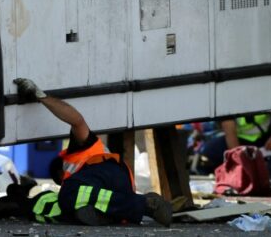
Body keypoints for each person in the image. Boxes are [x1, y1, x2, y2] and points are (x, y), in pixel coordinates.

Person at [12, 78, 173, 227]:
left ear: (61, 174)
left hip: (104, 173)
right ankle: (110, 215)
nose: (63, 181)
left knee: (68, 196)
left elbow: (77, 121)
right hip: (120, 186)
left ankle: (146, 204)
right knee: (83, 206)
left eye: (62, 180)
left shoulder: (74, 154)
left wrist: (42, 97)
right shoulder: (83, 156)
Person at [197, 109, 271, 179]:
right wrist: (241, 161)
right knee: (208, 154)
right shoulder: (229, 95)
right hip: (243, 142)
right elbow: (230, 131)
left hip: (270, 140)